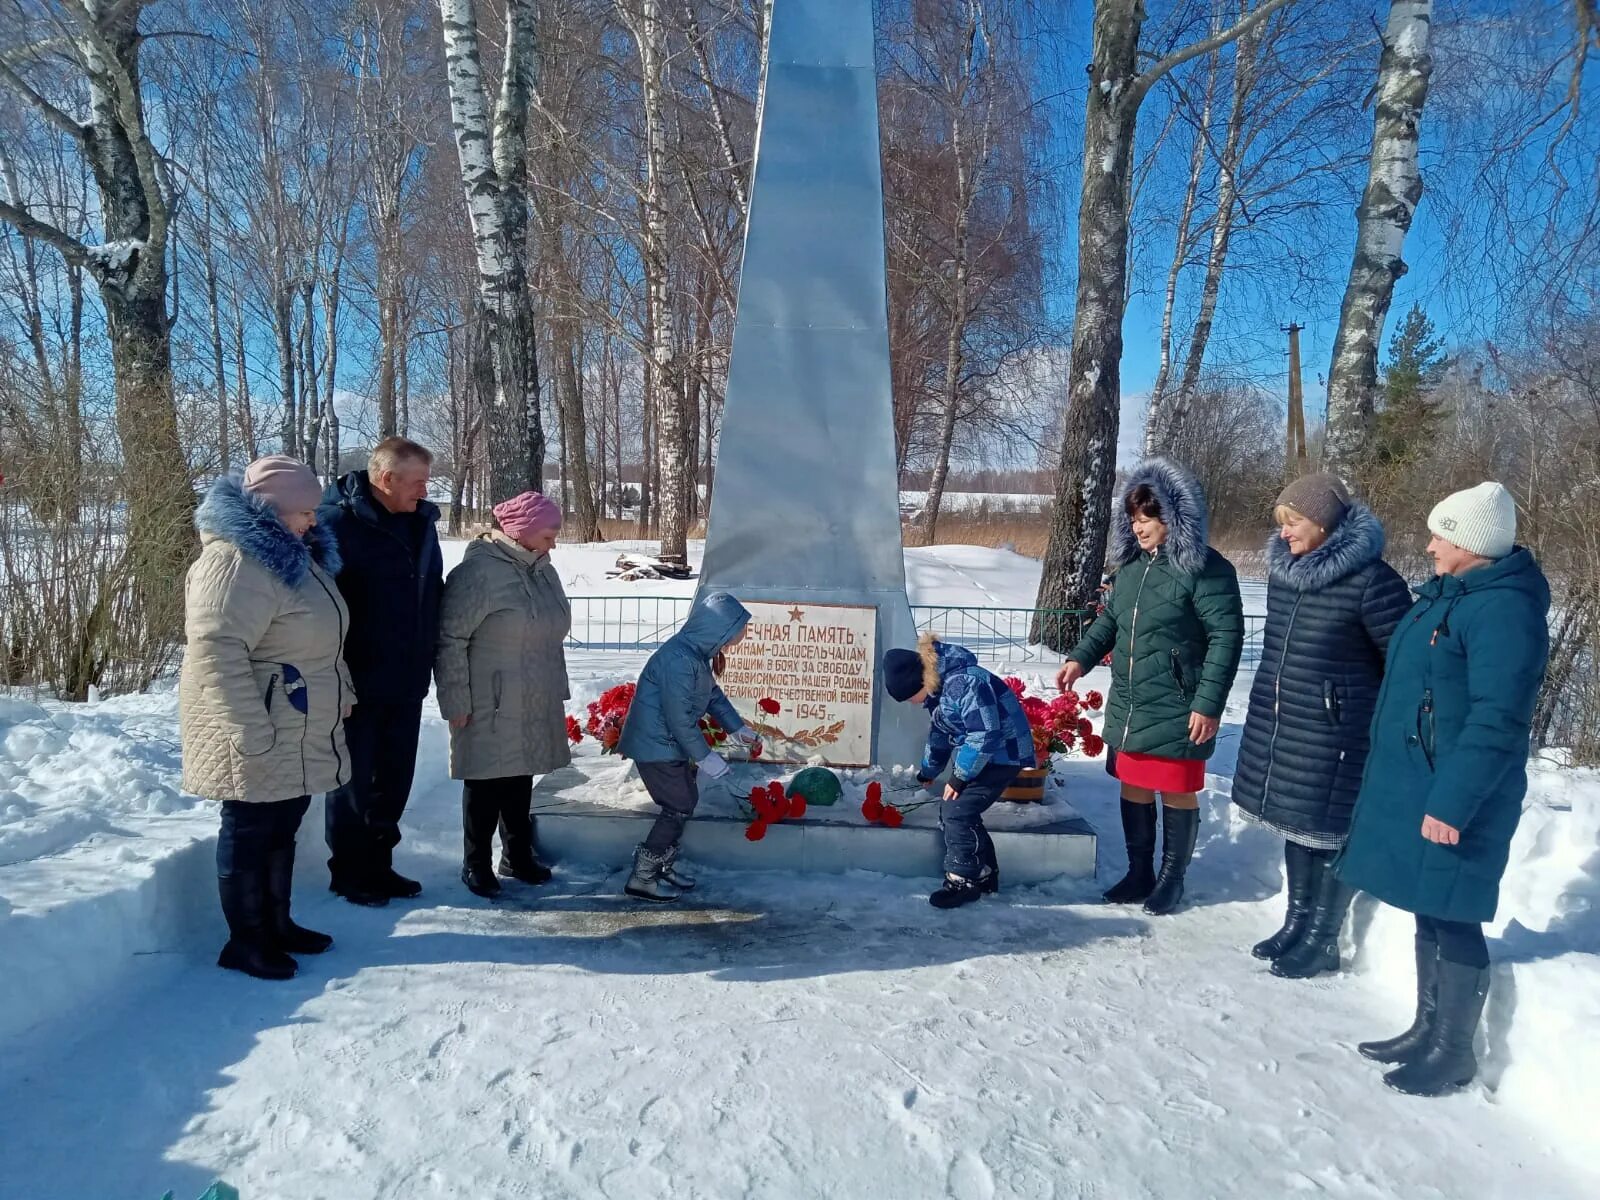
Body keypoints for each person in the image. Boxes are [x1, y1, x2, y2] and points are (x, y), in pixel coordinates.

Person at [1337, 482, 1549, 1097]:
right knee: (1430, 906)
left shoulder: (1503, 610)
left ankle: (1453, 1051)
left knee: (1454, 915)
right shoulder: (1450, 597)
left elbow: (1497, 719)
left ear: (1471, 543)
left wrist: (1454, 802)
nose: (1429, 544)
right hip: (1427, 781)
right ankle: (1425, 1028)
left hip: (1464, 792)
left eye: (1440, 534)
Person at [1232, 474, 1413, 978]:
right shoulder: (1284, 574)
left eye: (1294, 522)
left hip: (1339, 732)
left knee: (1329, 833)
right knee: (1298, 824)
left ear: (1326, 522)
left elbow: (1404, 662)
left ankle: (1323, 938)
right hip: (1287, 724)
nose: (1285, 533)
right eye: (1282, 524)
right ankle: (1296, 922)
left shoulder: (1374, 582)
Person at [179, 456, 352, 980]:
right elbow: (216, 652)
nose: (314, 521)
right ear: (270, 511)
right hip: (258, 722)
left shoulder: (291, 556)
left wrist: (343, 690)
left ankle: (278, 924)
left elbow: (320, 638)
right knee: (251, 830)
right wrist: (250, 730)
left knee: (283, 826)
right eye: (303, 511)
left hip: (294, 719)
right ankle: (246, 941)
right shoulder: (234, 563)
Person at [1057, 458, 1243, 915]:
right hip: (1133, 699)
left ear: (1176, 517)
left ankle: (1171, 879)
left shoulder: (1207, 569)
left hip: (1181, 703)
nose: (1140, 528)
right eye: (1135, 519)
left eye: (1150, 518)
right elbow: (1112, 623)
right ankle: (1139, 871)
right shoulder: (1132, 569)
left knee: (1176, 786)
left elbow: (1226, 636)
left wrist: (1208, 702)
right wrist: (1080, 657)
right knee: (1134, 782)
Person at [318, 437, 444, 906]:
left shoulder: (422, 523)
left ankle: (380, 864)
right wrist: (336, 673)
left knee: (394, 780)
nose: (424, 490)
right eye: (417, 481)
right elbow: (318, 609)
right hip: (357, 679)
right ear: (386, 479)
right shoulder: (335, 525)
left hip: (408, 675)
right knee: (354, 781)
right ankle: (349, 872)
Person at [435, 492, 573, 899]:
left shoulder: (543, 570)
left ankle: (516, 854)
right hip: (488, 698)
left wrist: (555, 687)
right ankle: (475, 863)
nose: (555, 542)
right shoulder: (479, 573)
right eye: (549, 534)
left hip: (534, 692)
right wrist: (456, 699)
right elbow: (449, 638)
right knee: (484, 780)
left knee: (520, 776)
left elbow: (553, 632)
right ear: (524, 531)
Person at [616, 591, 760, 902]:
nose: (739, 638)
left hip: (667, 745)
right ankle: (643, 876)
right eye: (737, 631)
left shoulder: (693, 655)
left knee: (684, 802)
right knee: (679, 805)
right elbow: (679, 719)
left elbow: (712, 697)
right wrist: (705, 757)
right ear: (717, 629)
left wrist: (738, 729)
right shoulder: (679, 661)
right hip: (655, 746)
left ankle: (661, 866)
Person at [883, 634, 1037, 909]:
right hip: (987, 756)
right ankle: (985, 873)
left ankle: (963, 880)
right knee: (958, 809)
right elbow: (941, 734)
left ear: (919, 682)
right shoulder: (940, 690)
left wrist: (959, 776)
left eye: (909, 698)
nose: (912, 703)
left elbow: (985, 734)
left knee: (957, 809)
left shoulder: (963, 684)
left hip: (1002, 755)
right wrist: (928, 770)